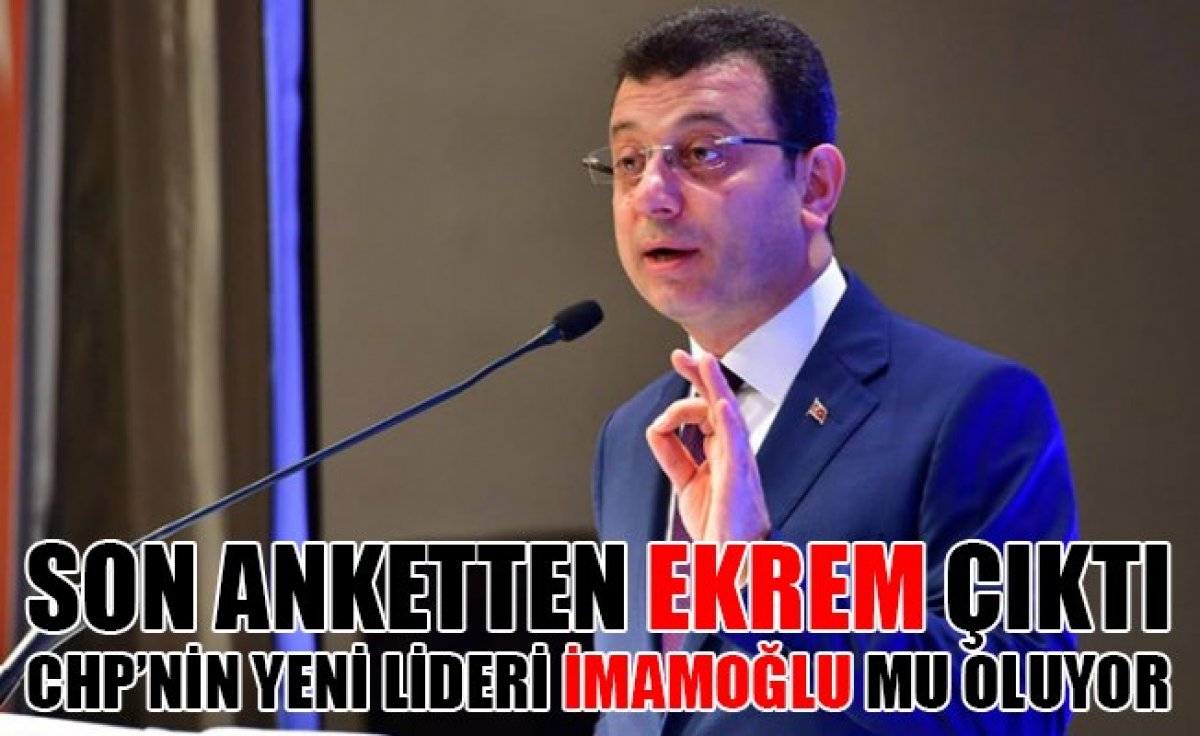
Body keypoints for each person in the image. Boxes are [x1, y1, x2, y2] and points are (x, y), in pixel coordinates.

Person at [585, 7, 1077, 735]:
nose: (652, 194)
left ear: (814, 185)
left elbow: (1013, 708)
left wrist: (754, 576)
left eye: (703, 152)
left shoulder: (974, 409)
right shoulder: (631, 439)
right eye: (630, 160)